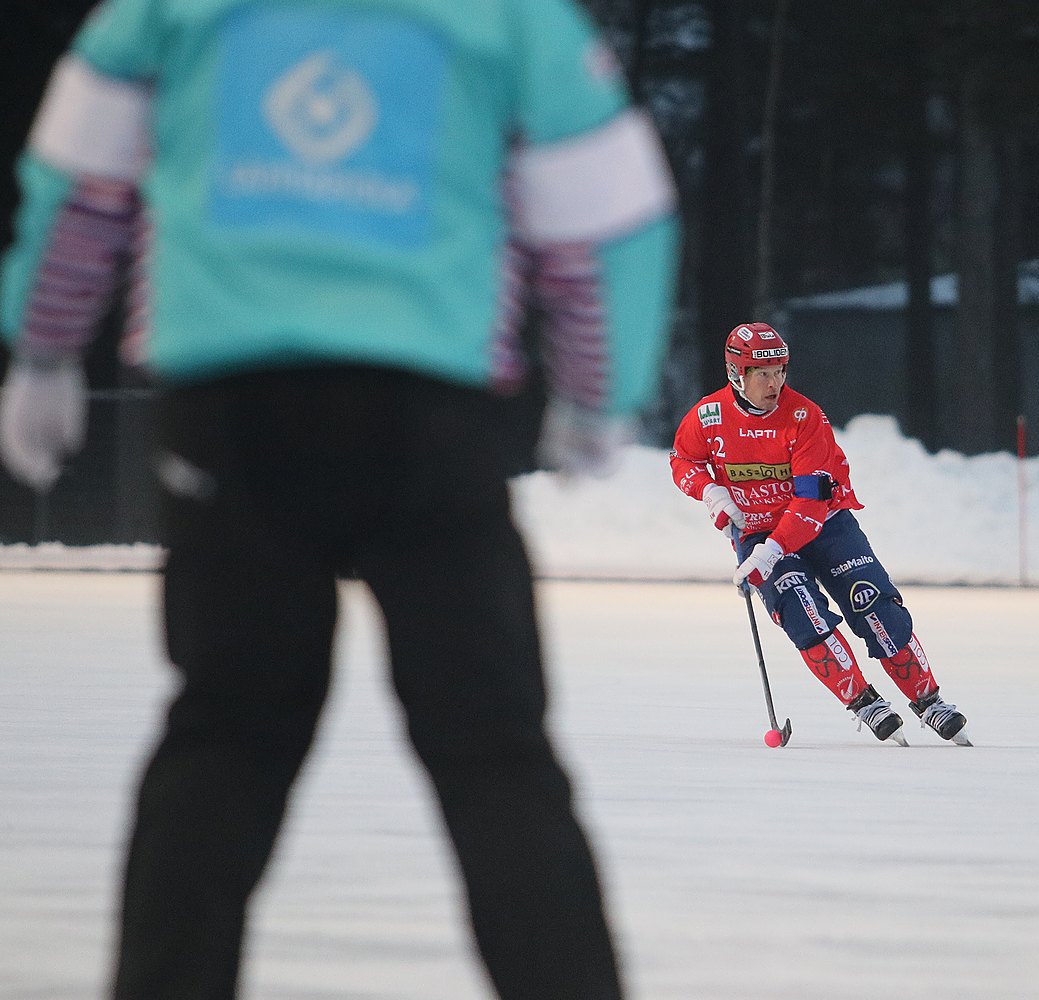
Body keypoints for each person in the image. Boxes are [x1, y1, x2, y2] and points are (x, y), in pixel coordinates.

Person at [0, 0, 678, 997]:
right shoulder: (514, 16)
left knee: (225, 732)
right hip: (428, 411)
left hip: (234, 405)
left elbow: (84, 178)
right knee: (493, 749)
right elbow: (597, 214)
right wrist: (596, 389)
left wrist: (47, 344)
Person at [669, 322, 971, 746]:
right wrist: (711, 492)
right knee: (800, 612)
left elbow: (809, 504)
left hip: (825, 525)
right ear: (736, 374)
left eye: (780, 371)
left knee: (873, 605)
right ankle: (865, 703)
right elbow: (683, 461)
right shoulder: (707, 416)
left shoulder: (805, 417)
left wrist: (770, 552)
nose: (774, 383)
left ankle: (929, 701)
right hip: (756, 531)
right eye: (762, 373)